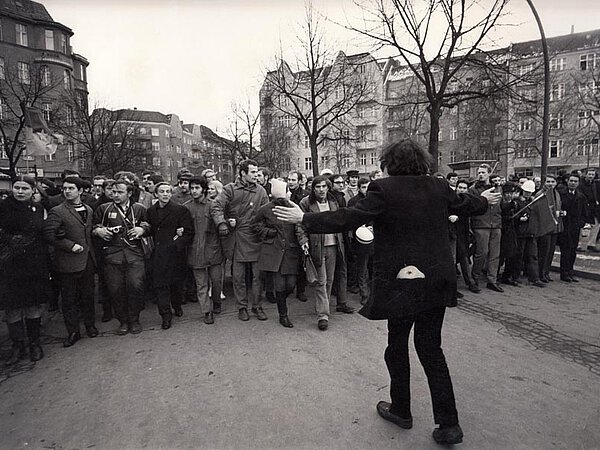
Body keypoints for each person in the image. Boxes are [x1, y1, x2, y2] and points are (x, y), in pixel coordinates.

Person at [274, 139, 500, 445]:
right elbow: (468, 205)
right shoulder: (438, 187)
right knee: (431, 349)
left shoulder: (383, 189)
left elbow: (349, 218)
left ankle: (401, 410)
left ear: (389, 163)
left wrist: (305, 218)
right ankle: (449, 424)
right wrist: (485, 198)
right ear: (422, 162)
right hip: (435, 280)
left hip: (402, 281)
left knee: (397, 346)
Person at [42, 176, 98, 348]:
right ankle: (73, 331)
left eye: (71, 188)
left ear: (80, 191)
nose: (67, 191)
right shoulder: (57, 211)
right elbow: (49, 234)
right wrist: (69, 245)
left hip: (87, 260)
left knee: (88, 296)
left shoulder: (88, 209)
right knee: (69, 299)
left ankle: (90, 326)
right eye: (65, 188)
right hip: (67, 262)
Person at [210, 159, 269, 322]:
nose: (256, 175)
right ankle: (242, 307)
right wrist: (222, 222)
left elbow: (267, 213)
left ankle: (257, 306)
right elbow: (216, 207)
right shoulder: (230, 189)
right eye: (253, 172)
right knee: (238, 277)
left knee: (259, 277)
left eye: (257, 172)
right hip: (236, 238)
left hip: (256, 237)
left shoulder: (261, 191)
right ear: (243, 173)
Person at [0, 176, 49, 364]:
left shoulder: (38, 208)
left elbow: (42, 234)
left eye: (25, 188)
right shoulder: (3, 207)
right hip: (8, 264)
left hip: (34, 264)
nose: (20, 192)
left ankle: (35, 343)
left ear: (32, 190)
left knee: (32, 305)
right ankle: (17, 346)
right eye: (17, 188)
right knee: (12, 308)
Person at [93, 180, 150, 335]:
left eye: (120, 192)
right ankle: (123, 321)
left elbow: (149, 225)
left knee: (135, 286)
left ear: (129, 193)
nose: (115, 195)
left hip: (134, 255)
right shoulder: (104, 209)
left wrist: (142, 229)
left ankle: (135, 319)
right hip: (113, 255)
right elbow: (94, 226)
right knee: (115, 289)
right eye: (113, 192)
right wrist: (99, 231)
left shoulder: (139, 209)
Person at [297, 176, 350, 331]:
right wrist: (303, 240)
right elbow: (299, 224)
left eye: (324, 187)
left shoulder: (333, 203)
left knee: (329, 280)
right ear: (313, 188)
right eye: (318, 187)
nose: (321, 190)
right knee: (321, 280)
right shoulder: (306, 203)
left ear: (328, 188)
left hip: (333, 245)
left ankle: (322, 307)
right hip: (316, 246)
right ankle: (323, 315)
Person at [253, 179, 304, 328]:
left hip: (291, 251)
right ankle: (283, 315)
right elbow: (255, 226)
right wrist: (269, 232)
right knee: (280, 285)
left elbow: (301, 225)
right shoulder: (265, 209)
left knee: (291, 285)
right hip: (274, 252)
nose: (283, 200)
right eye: (280, 198)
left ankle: (281, 299)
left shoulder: (293, 208)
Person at [147, 182, 194, 329]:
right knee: (161, 285)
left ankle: (177, 305)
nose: (165, 194)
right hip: (158, 253)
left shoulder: (180, 210)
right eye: (162, 191)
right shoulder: (151, 211)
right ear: (156, 194)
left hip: (175, 254)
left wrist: (177, 244)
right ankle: (165, 315)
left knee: (176, 284)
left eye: (168, 191)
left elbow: (188, 232)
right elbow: (149, 229)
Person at [184, 176, 223, 324]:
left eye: (197, 188)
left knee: (216, 280)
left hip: (212, 249)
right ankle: (207, 311)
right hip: (195, 250)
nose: (194, 191)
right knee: (201, 284)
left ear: (204, 189)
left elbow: (220, 222)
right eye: (192, 188)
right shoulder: (186, 207)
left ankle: (217, 301)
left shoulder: (213, 205)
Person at [469, 165, 504, 293]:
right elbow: (472, 206)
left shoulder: (497, 188)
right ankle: (474, 278)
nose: (481, 175)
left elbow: (501, 205)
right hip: (480, 224)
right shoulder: (473, 189)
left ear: (489, 173)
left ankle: (492, 280)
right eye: (479, 172)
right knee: (481, 252)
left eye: (483, 172)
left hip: (495, 223)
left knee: (495, 254)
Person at [348, 178, 373, 305]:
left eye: (368, 187)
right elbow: (350, 220)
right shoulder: (353, 202)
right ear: (358, 188)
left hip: (375, 239)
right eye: (363, 187)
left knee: (373, 267)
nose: (366, 190)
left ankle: (373, 292)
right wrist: (360, 226)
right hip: (360, 240)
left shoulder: (374, 201)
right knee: (362, 268)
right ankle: (364, 294)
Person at [557, 175, 588, 282]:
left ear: (578, 183)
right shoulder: (561, 194)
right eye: (571, 181)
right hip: (564, 227)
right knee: (565, 250)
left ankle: (570, 271)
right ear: (567, 181)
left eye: (575, 181)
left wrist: (581, 223)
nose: (573, 183)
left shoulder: (581, 196)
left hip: (575, 227)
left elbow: (584, 212)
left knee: (573, 251)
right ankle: (564, 273)